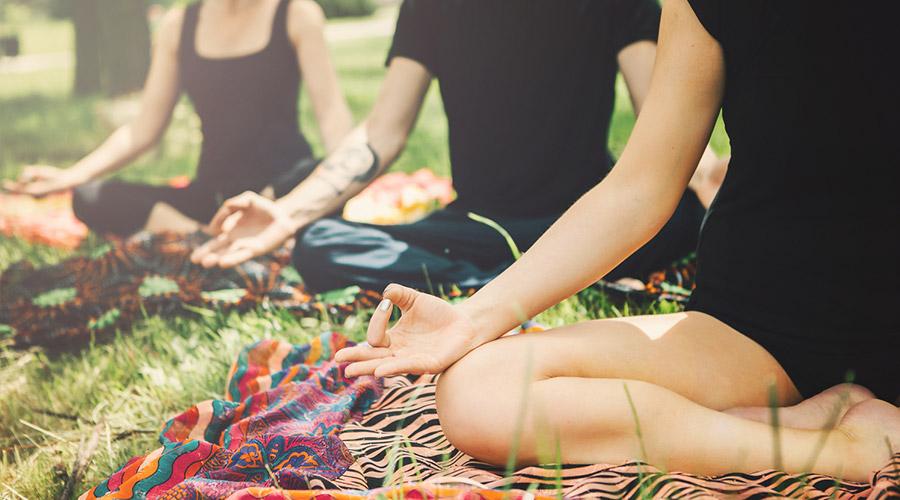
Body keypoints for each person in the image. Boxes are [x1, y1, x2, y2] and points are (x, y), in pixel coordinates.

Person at [335, 0, 900, 483]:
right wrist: (473, 317)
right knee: (481, 392)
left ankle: (767, 425)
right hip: (761, 331)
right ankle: (829, 449)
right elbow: (642, 186)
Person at [190, 0, 729, 293]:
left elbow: (661, 117)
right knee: (320, 244)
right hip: (476, 227)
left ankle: (522, 281)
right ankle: (519, 285)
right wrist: (286, 215)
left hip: (588, 220)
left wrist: (709, 176)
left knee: (679, 214)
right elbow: (383, 132)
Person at [5, 0, 352, 236]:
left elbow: (332, 114)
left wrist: (341, 179)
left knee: (321, 175)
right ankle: (203, 237)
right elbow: (143, 129)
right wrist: (70, 176)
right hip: (210, 197)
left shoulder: (296, 13)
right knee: (90, 196)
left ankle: (257, 228)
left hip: (283, 187)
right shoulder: (179, 25)